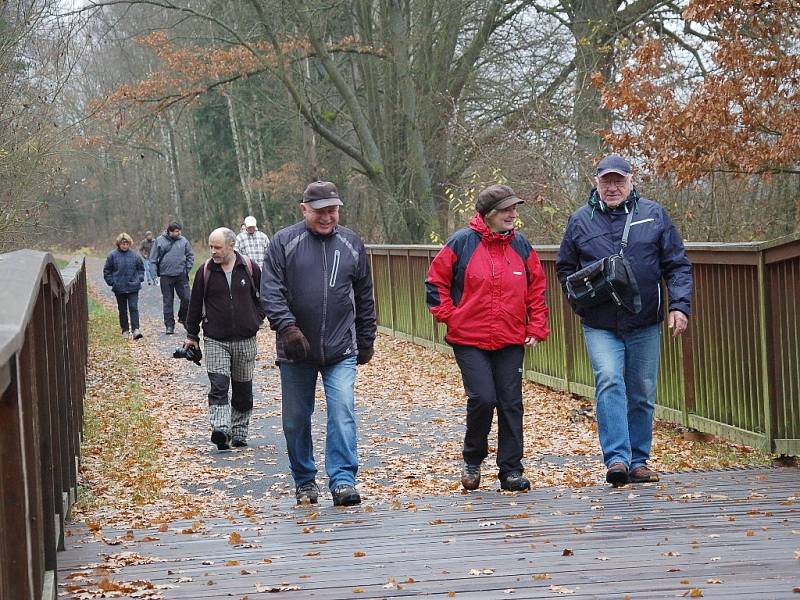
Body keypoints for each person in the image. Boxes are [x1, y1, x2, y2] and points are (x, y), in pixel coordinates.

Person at [556, 155, 692, 487]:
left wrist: (680, 306)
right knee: (609, 380)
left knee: (642, 391)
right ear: (596, 183)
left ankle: (638, 461)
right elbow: (565, 269)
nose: (612, 188)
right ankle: (617, 458)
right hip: (600, 323)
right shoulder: (580, 221)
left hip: (644, 320)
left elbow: (676, 264)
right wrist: (581, 304)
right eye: (606, 182)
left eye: (619, 181)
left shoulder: (653, 214)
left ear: (632, 180)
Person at [426, 184, 550, 493]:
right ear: (489, 214)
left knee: (511, 403)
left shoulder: (522, 247)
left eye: (514, 208)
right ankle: (473, 459)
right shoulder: (462, 243)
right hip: (469, 337)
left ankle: (511, 470)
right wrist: (450, 315)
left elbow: (537, 288)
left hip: (510, 337)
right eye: (506, 209)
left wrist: (536, 325)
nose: (513, 214)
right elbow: (435, 281)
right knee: (483, 398)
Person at [261, 181, 376, 507]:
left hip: (341, 348)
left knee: (342, 411)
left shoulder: (352, 243)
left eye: (333, 210)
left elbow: (365, 296)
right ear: (304, 209)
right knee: (296, 418)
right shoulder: (284, 242)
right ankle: (305, 480)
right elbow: (270, 292)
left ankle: (342, 480)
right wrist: (287, 329)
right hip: (296, 349)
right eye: (321, 211)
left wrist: (366, 338)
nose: (328, 217)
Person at [183, 227, 265, 450]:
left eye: (217, 247)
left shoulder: (249, 268)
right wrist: (192, 335)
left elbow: (263, 296)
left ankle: (238, 431)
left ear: (231, 246)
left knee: (243, 388)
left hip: (246, 339)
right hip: (215, 339)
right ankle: (221, 428)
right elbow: (194, 304)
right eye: (210, 246)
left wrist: (256, 318)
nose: (213, 251)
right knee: (219, 385)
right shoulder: (205, 271)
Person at [149, 222, 194, 335]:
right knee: (168, 301)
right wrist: (154, 275)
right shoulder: (159, 241)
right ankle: (169, 325)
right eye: (176, 231)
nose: (179, 233)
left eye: (180, 231)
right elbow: (153, 259)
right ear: (170, 231)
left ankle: (183, 318)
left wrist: (186, 269)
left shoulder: (183, 241)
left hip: (181, 275)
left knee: (187, 298)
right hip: (166, 275)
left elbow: (190, 255)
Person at [103, 232, 145, 340]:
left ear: (129, 244)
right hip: (119, 287)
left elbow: (141, 268)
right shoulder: (112, 256)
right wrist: (112, 282)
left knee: (133, 307)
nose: (125, 246)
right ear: (119, 244)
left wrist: (139, 278)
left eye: (126, 244)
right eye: (123, 244)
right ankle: (125, 330)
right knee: (122, 310)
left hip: (133, 286)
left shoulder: (135, 255)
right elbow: (107, 270)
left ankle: (136, 329)